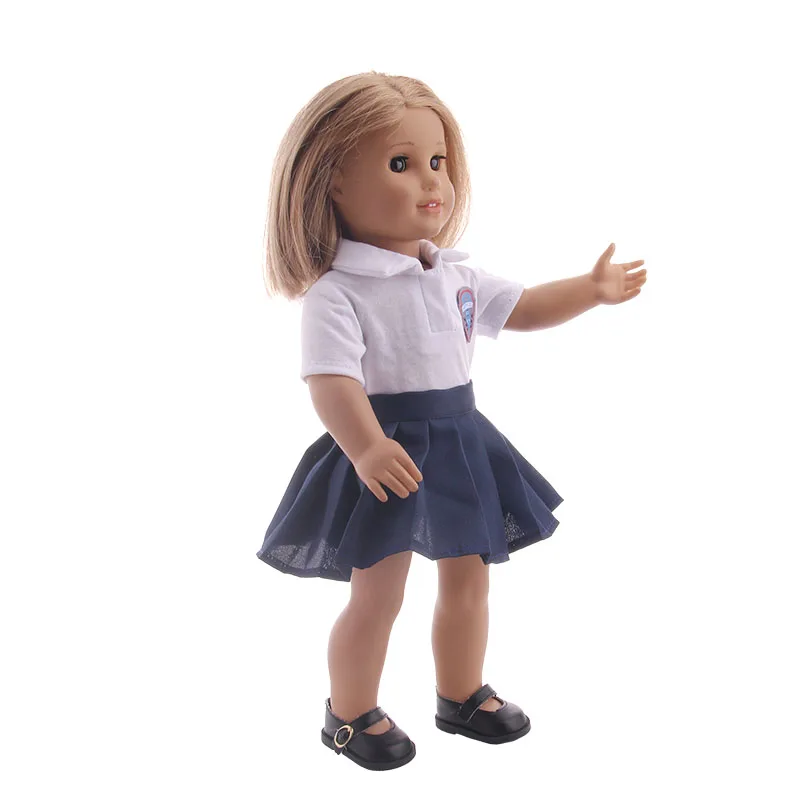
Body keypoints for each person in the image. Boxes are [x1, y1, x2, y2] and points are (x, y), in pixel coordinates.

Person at [255, 71, 647, 771]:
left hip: (460, 443)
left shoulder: (452, 274)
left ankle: (461, 694)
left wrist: (590, 290)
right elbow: (331, 381)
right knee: (379, 591)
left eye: (437, 161)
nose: (430, 180)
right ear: (332, 183)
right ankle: (349, 711)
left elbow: (523, 308)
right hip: (387, 449)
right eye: (400, 164)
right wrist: (365, 447)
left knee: (469, 578)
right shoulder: (338, 293)